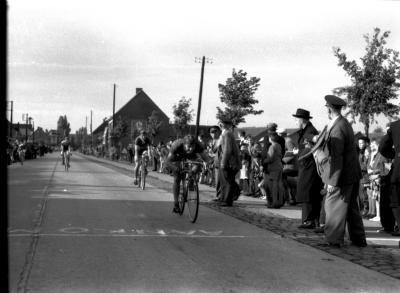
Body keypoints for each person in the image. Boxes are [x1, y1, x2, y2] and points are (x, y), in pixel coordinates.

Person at [317, 95, 367, 247]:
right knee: (352, 208)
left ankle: (333, 240)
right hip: (351, 173)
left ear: (329, 109)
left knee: (333, 205)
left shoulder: (337, 128)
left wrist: (332, 181)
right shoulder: (343, 123)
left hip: (343, 175)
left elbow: (337, 157)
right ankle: (358, 239)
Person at [292, 108, 323, 229]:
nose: (295, 122)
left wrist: (299, 152)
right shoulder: (305, 130)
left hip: (310, 168)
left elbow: (313, 141)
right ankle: (311, 220)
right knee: (309, 193)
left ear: (301, 120)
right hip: (307, 167)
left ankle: (309, 220)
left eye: (296, 119)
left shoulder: (309, 130)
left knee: (308, 193)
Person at [165, 134, 211, 213]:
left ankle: (190, 177)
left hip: (192, 156)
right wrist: (176, 168)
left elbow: (206, 158)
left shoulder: (198, 145)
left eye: (192, 147)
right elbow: (167, 162)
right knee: (177, 178)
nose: (190, 149)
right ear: (184, 144)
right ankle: (176, 204)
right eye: (188, 147)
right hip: (177, 156)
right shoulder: (177, 145)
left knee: (198, 162)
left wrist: (208, 163)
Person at [379, 119, 400, 236]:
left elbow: (382, 147)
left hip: (399, 168)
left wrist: (396, 155)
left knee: (396, 200)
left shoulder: (395, 125)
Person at [218, 119, 241, 207]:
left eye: (222, 123)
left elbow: (227, 149)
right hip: (228, 161)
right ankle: (225, 198)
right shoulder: (226, 133)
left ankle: (227, 200)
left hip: (228, 162)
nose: (220, 125)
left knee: (227, 181)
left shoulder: (227, 133)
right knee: (226, 180)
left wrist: (223, 162)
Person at [261, 132, 285, 208]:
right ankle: (280, 201)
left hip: (273, 168)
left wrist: (264, 161)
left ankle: (274, 202)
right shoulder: (279, 145)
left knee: (274, 186)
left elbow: (270, 158)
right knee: (279, 184)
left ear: (271, 139)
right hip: (279, 166)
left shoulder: (272, 147)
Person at [358, 136, 371, 217]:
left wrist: (357, 167)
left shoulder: (367, 152)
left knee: (365, 195)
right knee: (362, 195)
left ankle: (367, 210)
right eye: (359, 143)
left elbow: (367, 165)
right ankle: (364, 210)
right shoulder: (360, 152)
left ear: (366, 143)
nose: (360, 145)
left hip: (366, 177)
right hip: (360, 177)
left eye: (362, 143)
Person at [209, 125, 222, 201]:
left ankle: (221, 197)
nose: (213, 134)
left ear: (219, 131)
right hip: (216, 163)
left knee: (220, 181)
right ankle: (219, 196)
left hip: (222, 163)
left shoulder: (221, 139)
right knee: (217, 181)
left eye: (214, 131)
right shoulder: (214, 141)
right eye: (211, 132)